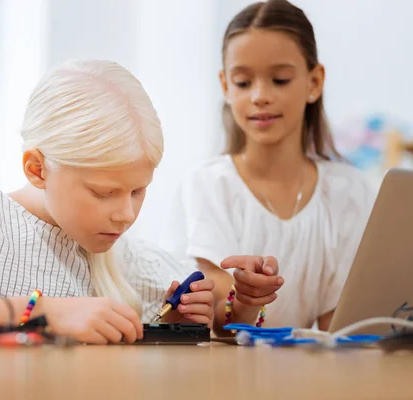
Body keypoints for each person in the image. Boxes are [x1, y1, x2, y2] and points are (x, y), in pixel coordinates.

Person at [0, 59, 225, 345]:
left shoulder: (122, 254)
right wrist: (44, 311)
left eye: (137, 191)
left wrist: (171, 326)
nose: (126, 214)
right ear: (37, 168)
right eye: (102, 193)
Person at [161, 0, 376, 335]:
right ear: (225, 87)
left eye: (279, 79)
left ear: (314, 82)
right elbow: (221, 323)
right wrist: (245, 299)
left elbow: (347, 329)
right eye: (244, 83)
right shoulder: (208, 185)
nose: (260, 95)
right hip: (228, 379)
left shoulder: (350, 191)